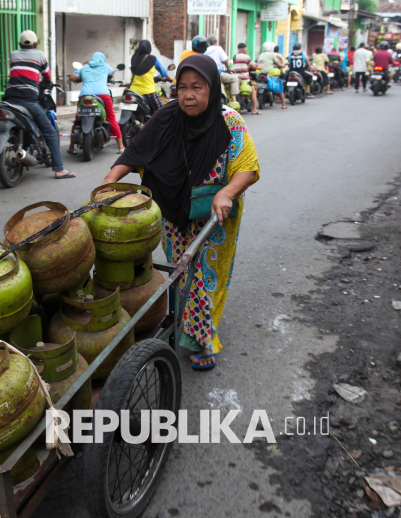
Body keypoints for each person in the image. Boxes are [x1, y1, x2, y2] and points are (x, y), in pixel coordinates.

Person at [100, 55, 259, 371]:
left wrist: (227, 192)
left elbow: (247, 168)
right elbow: (135, 152)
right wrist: (109, 182)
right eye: (182, 87)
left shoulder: (231, 122)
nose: (188, 95)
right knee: (182, 272)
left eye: (197, 87)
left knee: (204, 276)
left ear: (212, 88)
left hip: (215, 212)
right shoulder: (166, 116)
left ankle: (202, 338)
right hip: (172, 210)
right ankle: (188, 323)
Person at [2, 30, 75, 179]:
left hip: (8, 99)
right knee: (49, 132)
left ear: (19, 44)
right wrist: (44, 82)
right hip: (28, 100)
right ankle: (59, 169)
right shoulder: (40, 55)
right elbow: (47, 76)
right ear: (36, 44)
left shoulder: (13, 54)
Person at [68, 52, 125, 154]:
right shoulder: (106, 66)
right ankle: (121, 146)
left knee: (78, 120)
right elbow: (112, 73)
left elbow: (72, 77)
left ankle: (71, 147)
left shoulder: (84, 68)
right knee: (111, 119)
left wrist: (81, 76)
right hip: (103, 95)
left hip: (85, 95)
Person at [127, 39, 167, 114]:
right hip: (148, 90)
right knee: (162, 112)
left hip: (133, 90)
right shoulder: (152, 59)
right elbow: (163, 73)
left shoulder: (134, 58)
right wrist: (170, 78)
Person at [205, 34, 241, 104]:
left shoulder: (205, 50)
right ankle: (232, 99)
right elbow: (225, 60)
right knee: (234, 79)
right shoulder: (218, 48)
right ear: (216, 41)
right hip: (219, 74)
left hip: (208, 75)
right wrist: (229, 69)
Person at [231, 42, 261, 115]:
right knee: (253, 92)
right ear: (244, 49)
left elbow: (241, 65)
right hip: (245, 79)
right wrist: (258, 67)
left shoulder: (235, 56)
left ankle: (237, 109)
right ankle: (254, 109)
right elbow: (252, 66)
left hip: (236, 78)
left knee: (236, 93)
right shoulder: (246, 57)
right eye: (246, 48)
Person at [257, 42, 289, 109]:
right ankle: (283, 104)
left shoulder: (261, 55)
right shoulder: (272, 55)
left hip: (260, 73)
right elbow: (279, 64)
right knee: (279, 85)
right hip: (269, 74)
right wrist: (284, 65)